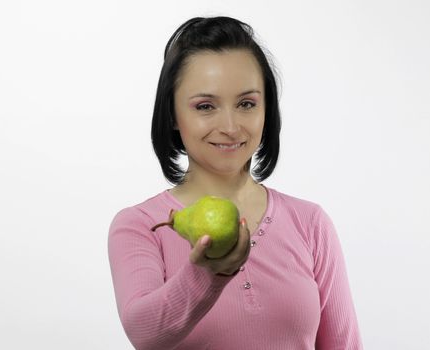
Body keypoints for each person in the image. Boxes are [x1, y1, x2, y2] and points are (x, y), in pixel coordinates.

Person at [108, 16, 362, 349]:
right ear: (172, 114)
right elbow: (144, 333)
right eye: (205, 106)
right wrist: (208, 274)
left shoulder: (310, 223)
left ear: (266, 110)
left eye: (246, 104)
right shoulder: (141, 225)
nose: (229, 126)